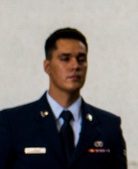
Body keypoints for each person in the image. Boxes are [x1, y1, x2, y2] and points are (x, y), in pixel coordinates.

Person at [0, 28, 127, 169]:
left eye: (81, 59)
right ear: (47, 67)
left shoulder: (108, 126)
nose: (75, 66)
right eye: (65, 59)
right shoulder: (13, 123)